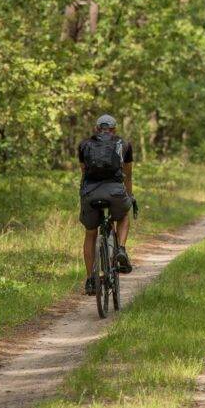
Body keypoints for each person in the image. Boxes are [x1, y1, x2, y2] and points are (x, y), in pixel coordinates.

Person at [78, 114, 135, 295]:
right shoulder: (124, 145)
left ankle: (90, 280)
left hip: (90, 193)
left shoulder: (84, 145)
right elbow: (128, 174)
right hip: (115, 192)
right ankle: (121, 249)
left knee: (90, 233)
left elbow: (84, 172)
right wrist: (129, 195)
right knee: (124, 214)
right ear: (114, 130)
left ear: (96, 129)